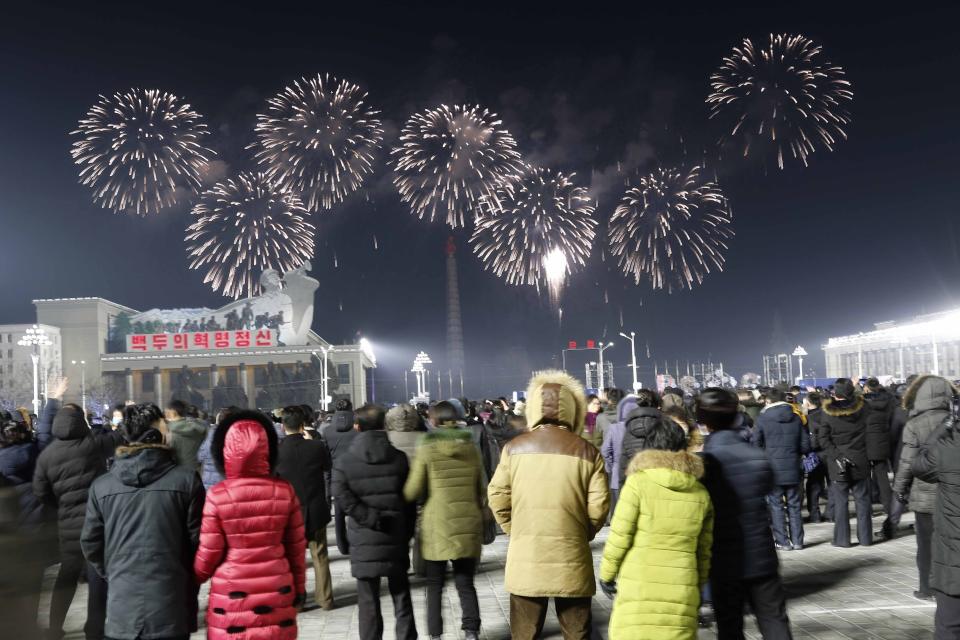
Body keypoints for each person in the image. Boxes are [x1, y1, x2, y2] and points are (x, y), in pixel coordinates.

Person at [488, 370, 609, 640]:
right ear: (572, 409)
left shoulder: (514, 448)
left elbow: (497, 495)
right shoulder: (587, 451)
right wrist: (583, 532)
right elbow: (599, 506)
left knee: (524, 633)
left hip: (527, 556)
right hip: (572, 556)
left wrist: (514, 529)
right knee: (577, 632)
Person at [81, 403, 205, 640]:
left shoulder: (103, 486)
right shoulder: (186, 481)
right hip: (171, 603)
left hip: (121, 607)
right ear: (159, 430)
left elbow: (90, 543)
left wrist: (116, 571)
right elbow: (197, 542)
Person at [194, 410, 307, 639]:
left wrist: (192, 576)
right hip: (276, 592)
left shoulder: (218, 496)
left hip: (232, 597)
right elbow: (296, 549)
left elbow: (209, 555)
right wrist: (299, 588)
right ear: (267, 450)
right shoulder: (284, 491)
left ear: (226, 451)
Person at [599, 418, 713, 640]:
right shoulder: (700, 493)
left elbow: (620, 535)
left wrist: (607, 575)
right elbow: (704, 551)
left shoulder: (637, 483)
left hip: (639, 582)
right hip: (682, 583)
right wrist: (697, 586)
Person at [698, 387, 794, 640]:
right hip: (761, 552)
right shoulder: (757, 457)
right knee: (774, 620)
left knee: (729, 626)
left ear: (704, 421)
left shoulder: (703, 463)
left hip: (723, 557)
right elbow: (768, 490)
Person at [34, 401, 123, 640]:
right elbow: (119, 438)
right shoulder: (92, 445)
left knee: (66, 578)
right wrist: (124, 416)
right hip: (97, 521)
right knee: (97, 577)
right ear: (81, 422)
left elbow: (40, 492)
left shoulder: (47, 456)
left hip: (67, 524)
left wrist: (61, 505)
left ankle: (54, 627)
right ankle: (94, 629)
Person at [332, 404, 417, 640]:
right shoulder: (399, 459)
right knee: (401, 596)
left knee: (368, 601)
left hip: (364, 538)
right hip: (395, 536)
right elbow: (409, 500)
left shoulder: (345, 462)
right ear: (383, 425)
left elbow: (340, 494)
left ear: (356, 426)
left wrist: (366, 517)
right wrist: (406, 532)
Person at [403, 401, 483, 640]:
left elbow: (413, 490)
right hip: (467, 522)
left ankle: (436, 635)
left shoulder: (426, 448)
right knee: (465, 582)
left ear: (433, 421)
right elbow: (482, 487)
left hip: (436, 524)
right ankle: (471, 631)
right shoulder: (471, 446)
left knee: (435, 584)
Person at [894, 375, 956, 600]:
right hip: (952, 493)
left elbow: (907, 462)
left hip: (924, 494)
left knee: (926, 544)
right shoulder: (954, 419)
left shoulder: (914, 424)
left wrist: (900, 489)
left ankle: (927, 588)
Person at [276, 405, 334, 610]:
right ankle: (325, 599)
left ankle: (297, 602)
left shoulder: (277, 452)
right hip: (316, 509)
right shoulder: (317, 447)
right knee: (320, 556)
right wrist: (312, 441)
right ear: (303, 426)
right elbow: (327, 468)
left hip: (291, 514)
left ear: (283, 427)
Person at [912, 405, 960, 638]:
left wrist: (945, 426)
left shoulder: (948, 448)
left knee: (949, 626)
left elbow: (919, 465)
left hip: (953, 559)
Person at [754, 387, 811, 550]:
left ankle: (783, 541)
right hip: (793, 466)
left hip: (772, 468)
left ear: (769, 401)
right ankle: (798, 541)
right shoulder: (796, 417)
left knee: (776, 505)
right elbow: (806, 445)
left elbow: (755, 444)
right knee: (794, 504)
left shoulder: (763, 419)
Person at [820, 378, 873, 547]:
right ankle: (865, 538)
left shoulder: (828, 411)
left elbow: (823, 438)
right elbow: (871, 432)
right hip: (860, 457)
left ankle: (842, 540)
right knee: (863, 500)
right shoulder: (864, 408)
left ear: (835, 393)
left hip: (838, 462)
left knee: (841, 502)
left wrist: (836, 455)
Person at [601, 391, 646, 515]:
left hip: (617, 473)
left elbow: (605, 450)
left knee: (620, 510)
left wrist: (611, 466)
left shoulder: (614, 428)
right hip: (638, 472)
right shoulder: (641, 426)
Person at [323, 398, 357, 555]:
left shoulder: (328, 431)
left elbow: (326, 459)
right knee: (357, 509)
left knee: (339, 513)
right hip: (357, 474)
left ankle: (342, 545)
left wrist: (327, 484)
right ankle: (356, 541)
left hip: (337, 474)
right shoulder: (358, 429)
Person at [862, 378, 896, 536]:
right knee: (882, 478)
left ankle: (867, 509)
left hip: (865, 443)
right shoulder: (888, 402)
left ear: (867, 389)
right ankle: (889, 509)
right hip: (882, 443)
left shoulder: (863, 404)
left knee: (864, 479)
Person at [618, 391, 663, 489]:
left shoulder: (629, 429)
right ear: (657, 405)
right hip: (661, 484)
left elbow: (623, 463)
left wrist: (623, 488)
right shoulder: (666, 426)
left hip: (635, 484)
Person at [803, 392, 830, 523]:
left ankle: (815, 514)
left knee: (814, 485)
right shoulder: (827, 414)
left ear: (808, 403)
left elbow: (813, 441)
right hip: (830, 454)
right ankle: (831, 513)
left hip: (816, 455)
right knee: (832, 484)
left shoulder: (809, 419)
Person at [164, 399, 208, 470]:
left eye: (166, 412)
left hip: (177, 471)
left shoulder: (168, 430)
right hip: (197, 469)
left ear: (173, 412)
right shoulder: (199, 426)